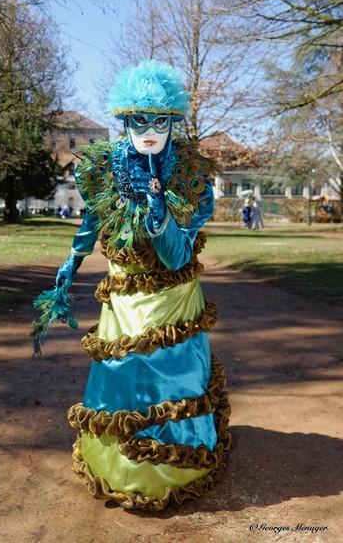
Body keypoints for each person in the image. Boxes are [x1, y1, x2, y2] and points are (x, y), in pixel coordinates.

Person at [34, 60, 231, 511]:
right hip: (123, 295)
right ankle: (118, 462)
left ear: (171, 121)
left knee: (171, 377)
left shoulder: (191, 178)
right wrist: (73, 258)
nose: (148, 130)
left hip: (172, 298)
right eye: (138, 120)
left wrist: (158, 207)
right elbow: (93, 219)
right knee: (123, 375)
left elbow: (178, 254)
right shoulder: (104, 168)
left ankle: (174, 461)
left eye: (159, 120)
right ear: (124, 121)